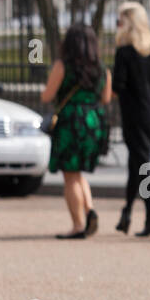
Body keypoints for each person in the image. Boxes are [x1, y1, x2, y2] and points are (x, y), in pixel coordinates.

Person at [41, 22, 111, 239]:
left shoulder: (63, 66)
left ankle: (78, 224)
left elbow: (47, 95)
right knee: (78, 172)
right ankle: (89, 210)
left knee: (70, 175)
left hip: (71, 121)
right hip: (93, 122)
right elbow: (106, 98)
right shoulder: (102, 69)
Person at [112, 1, 150, 238]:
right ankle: (127, 213)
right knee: (137, 165)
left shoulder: (125, 52)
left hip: (134, 115)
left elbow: (118, 86)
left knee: (141, 167)